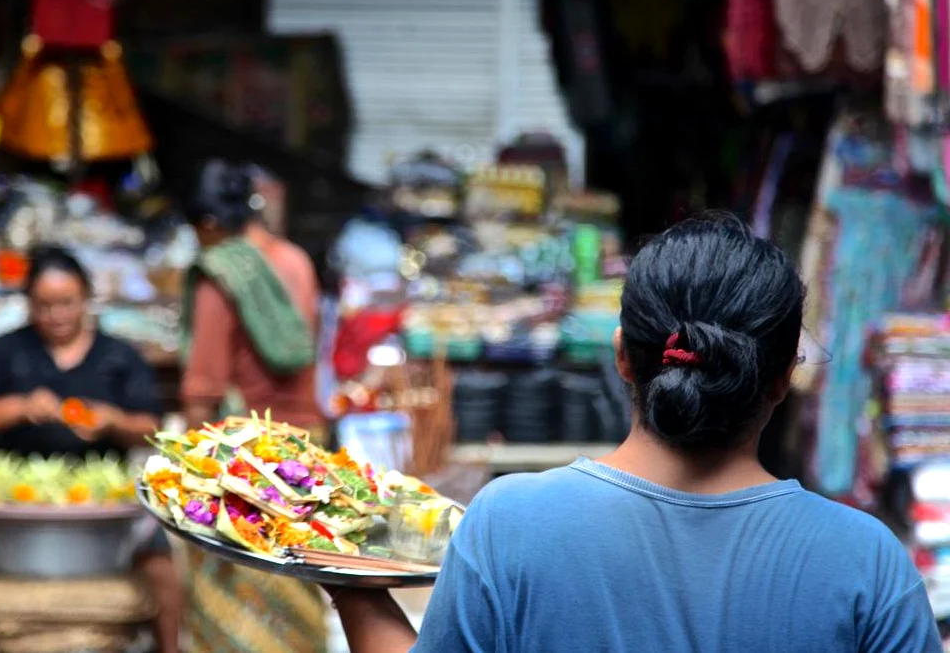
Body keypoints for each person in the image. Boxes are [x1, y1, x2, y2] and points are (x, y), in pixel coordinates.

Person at [330, 216, 942, 653]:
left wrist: (350, 585)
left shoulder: (510, 523)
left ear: (623, 356)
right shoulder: (867, 561)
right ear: (783, 378)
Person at [0, 245, 182, 653]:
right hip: (18, 501)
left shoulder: (119, 355)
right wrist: (20, 408)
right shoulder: (7, 351)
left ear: (86, 300)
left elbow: (150, 425)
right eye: (43, 305)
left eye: (66, 303)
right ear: (27, 304)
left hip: (103, 499)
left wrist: (112, 420)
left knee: (162, 565)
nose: (56, 315)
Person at [180, 160, 327, 653]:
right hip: (306, 451)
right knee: (295, 585)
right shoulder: (297, 262)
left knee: (234, 604)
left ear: (206, 223)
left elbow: (202, 386)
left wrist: (187, 472)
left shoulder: (220, 271)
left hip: (245, 465)